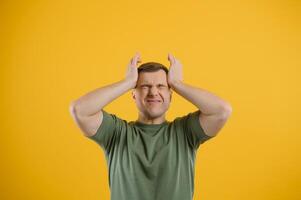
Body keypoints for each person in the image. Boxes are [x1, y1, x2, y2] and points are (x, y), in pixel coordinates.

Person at [69, 52, 232, 200]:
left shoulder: (185, 132)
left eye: (161, 86)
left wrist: (177, 83)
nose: (153, 92)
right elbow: (80, 110)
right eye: (144, 86)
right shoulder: (116, 133)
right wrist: (127, 82)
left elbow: (222, 110)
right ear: (133, 94)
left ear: (171, 94)